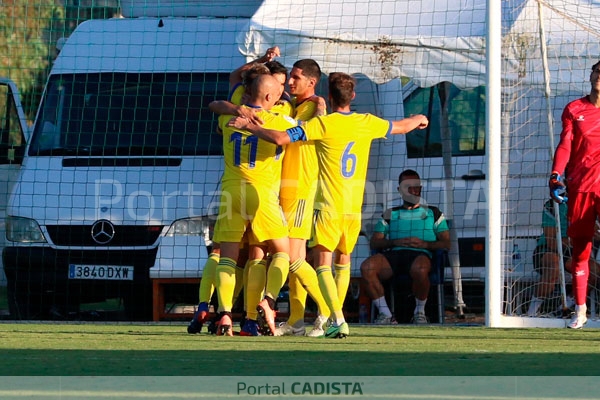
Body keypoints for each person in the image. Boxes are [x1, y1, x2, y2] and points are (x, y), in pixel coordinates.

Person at [228, 72, 429, 338]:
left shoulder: (322, 125)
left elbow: (279, 139)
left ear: (330, 96)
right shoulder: (366, 122)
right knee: (343, 263)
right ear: (353, 96)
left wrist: (250, 127)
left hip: (327, 207)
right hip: (354, 208)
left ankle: (335, 318)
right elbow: (401, 127)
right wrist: (418, 119)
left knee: (321, 264)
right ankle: (324, 318)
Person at [211, 74, 296, 336]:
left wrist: (237, 109)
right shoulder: (280, 122)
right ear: (271, 97)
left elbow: (215, 105)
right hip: (262, 194)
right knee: (282, 252)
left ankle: (224, 315)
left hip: (231, 191)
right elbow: (303, 130)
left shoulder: (228, 119)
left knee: (228, 257)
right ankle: (268, 300)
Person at [273, 59, 330, 337]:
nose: (291, 82)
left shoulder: (313, 105)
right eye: (290, 77)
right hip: (285, 189)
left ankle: (328, 310)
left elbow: (302, 129)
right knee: (293, 258)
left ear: (312, 81)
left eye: (296, 78)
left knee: (293, 257)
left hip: (301, 190)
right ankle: (296, 320)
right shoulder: (296, 105)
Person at [360, 170, 451, 324]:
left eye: (416, 186)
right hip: (394, 255)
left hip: (420, 254)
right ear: (399, 190)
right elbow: (375, 241)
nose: (413, 190)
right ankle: (386, 315)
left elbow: (446, 243)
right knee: (367, 267)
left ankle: (419, 313)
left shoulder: (433, 213)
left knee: (420, 269)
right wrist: (395, 242)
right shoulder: (390, 213)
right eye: (408, 186)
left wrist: (425, 244)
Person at [549, 59, 600, 329]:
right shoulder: (574, 109)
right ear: (591, 74)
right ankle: (580, 311)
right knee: (580, 252)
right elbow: (565, 145)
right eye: (598, 71)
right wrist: (556, 174)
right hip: (580, 188)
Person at [527, 197, 600, 317]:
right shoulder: (553, 204)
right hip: (548, 249)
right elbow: (551, 242)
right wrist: (581, 236)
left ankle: (561, 311)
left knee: (594, 271)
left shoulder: (590, 204)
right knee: (554, 265)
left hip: (573, 251)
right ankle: (532, 312)